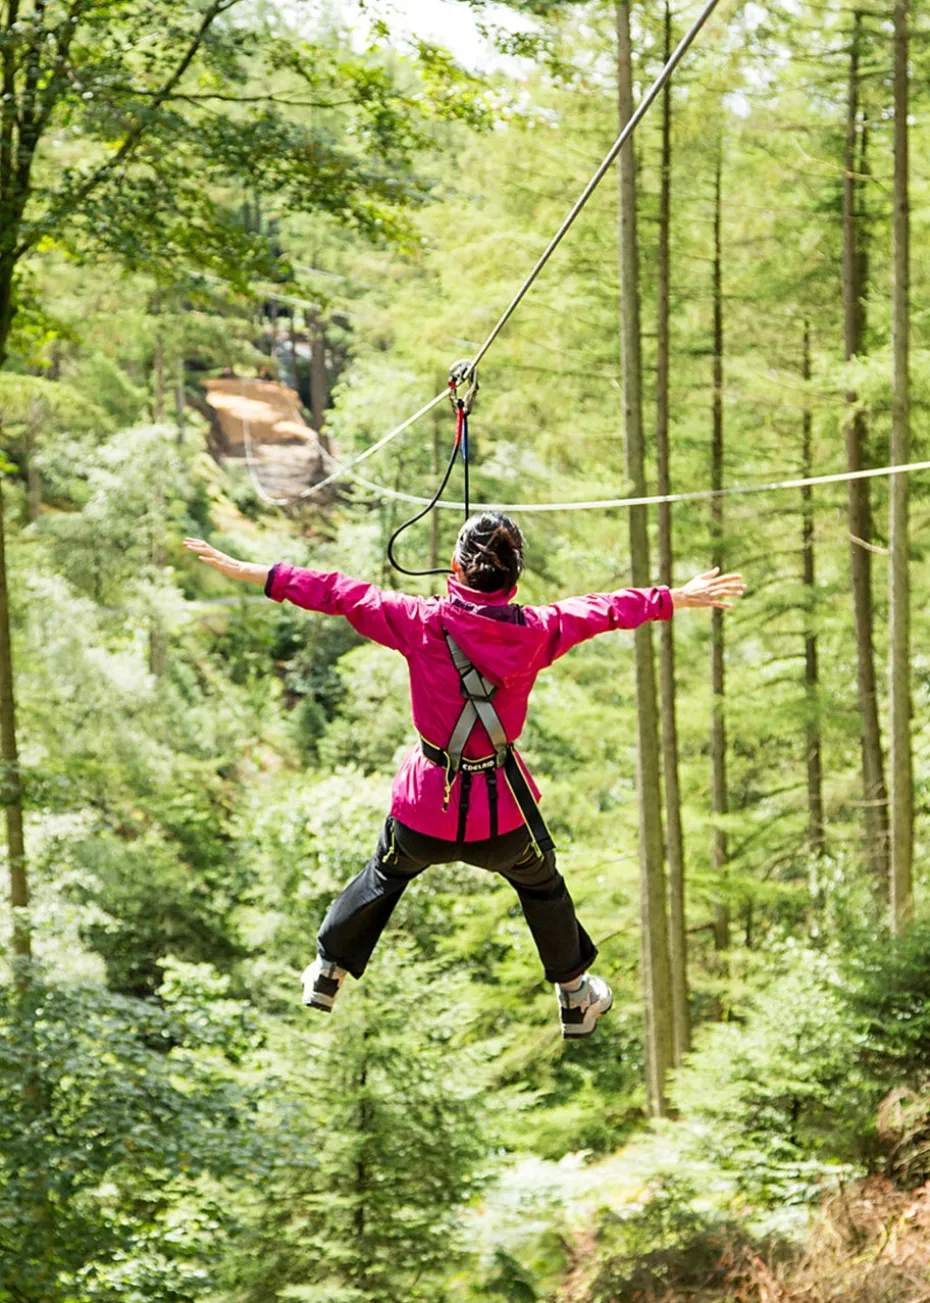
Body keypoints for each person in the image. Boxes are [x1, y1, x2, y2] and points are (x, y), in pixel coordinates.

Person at [184, 515, 745, 1038]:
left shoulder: (419, 621)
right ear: (516, 579)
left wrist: (257, 573)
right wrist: (676, 596)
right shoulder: (539, 630)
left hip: (425, 813)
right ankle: (575, 996)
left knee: (384, 873)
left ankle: (329, 970)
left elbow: (336, 591)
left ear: (455, 570)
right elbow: (604, 608)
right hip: (502, 819)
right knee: (542, 885)